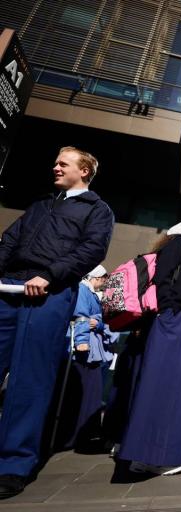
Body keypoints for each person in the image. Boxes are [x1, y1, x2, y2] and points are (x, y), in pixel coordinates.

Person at [0, 146, 114, 498]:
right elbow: (9, 241)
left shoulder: (98, 210)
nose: (55, 167)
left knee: (29, 379)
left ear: (85, 171)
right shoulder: (40, 205)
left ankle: (13, 465)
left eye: (62, 163)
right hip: (9, 290)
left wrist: (49, 275)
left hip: (48, 294)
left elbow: (91, 250)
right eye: (54, 161)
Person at [118, 214, 181, 476]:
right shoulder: (177, 246)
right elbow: (162, 281)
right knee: (161, 382)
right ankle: (148, 454)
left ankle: (166, 451)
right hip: (173, 320)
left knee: (179, 386)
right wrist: (167, 313)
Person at [56, 265, 115, 451]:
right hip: (85, 348)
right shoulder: (83, 290)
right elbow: (81, 317)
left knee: (90, 391)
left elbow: (93, 319)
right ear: (96, 277)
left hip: (92, 348)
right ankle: (78, 434)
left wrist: (97, 322)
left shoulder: (89, 292)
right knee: (82, 391)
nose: (103, 282)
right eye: (103, 278)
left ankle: (85, 433)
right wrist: (82, 340)